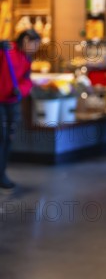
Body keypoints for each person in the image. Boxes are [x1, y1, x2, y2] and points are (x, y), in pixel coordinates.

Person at [0, 29, 41, 191]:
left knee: (8, 138)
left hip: (12, 102)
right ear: (25, 40)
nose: (36, 48)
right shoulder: (6, 51)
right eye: (34, 43)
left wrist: (21, 90)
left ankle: (2, 173)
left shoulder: (27, 59)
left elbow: (26, 80)